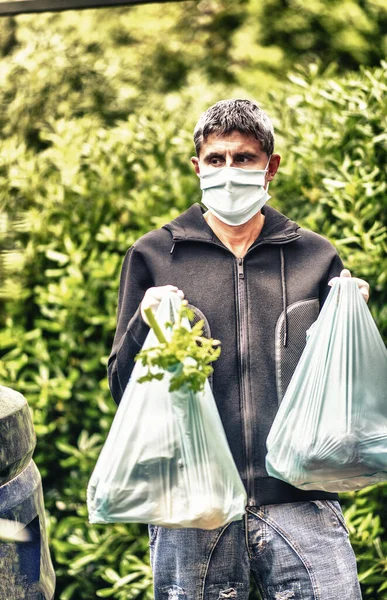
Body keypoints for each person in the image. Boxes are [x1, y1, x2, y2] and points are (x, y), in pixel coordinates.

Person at [107, 99, 369, 599]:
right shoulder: (155, 255)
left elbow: (347, 396)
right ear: (197, 167)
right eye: (216, 159)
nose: (229, 171)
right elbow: (123, 389)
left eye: (244, 158)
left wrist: (350, 320)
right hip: (194, 506)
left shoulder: (316, 255)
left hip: (301, 500)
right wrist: (143, 324)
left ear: (270, 166)